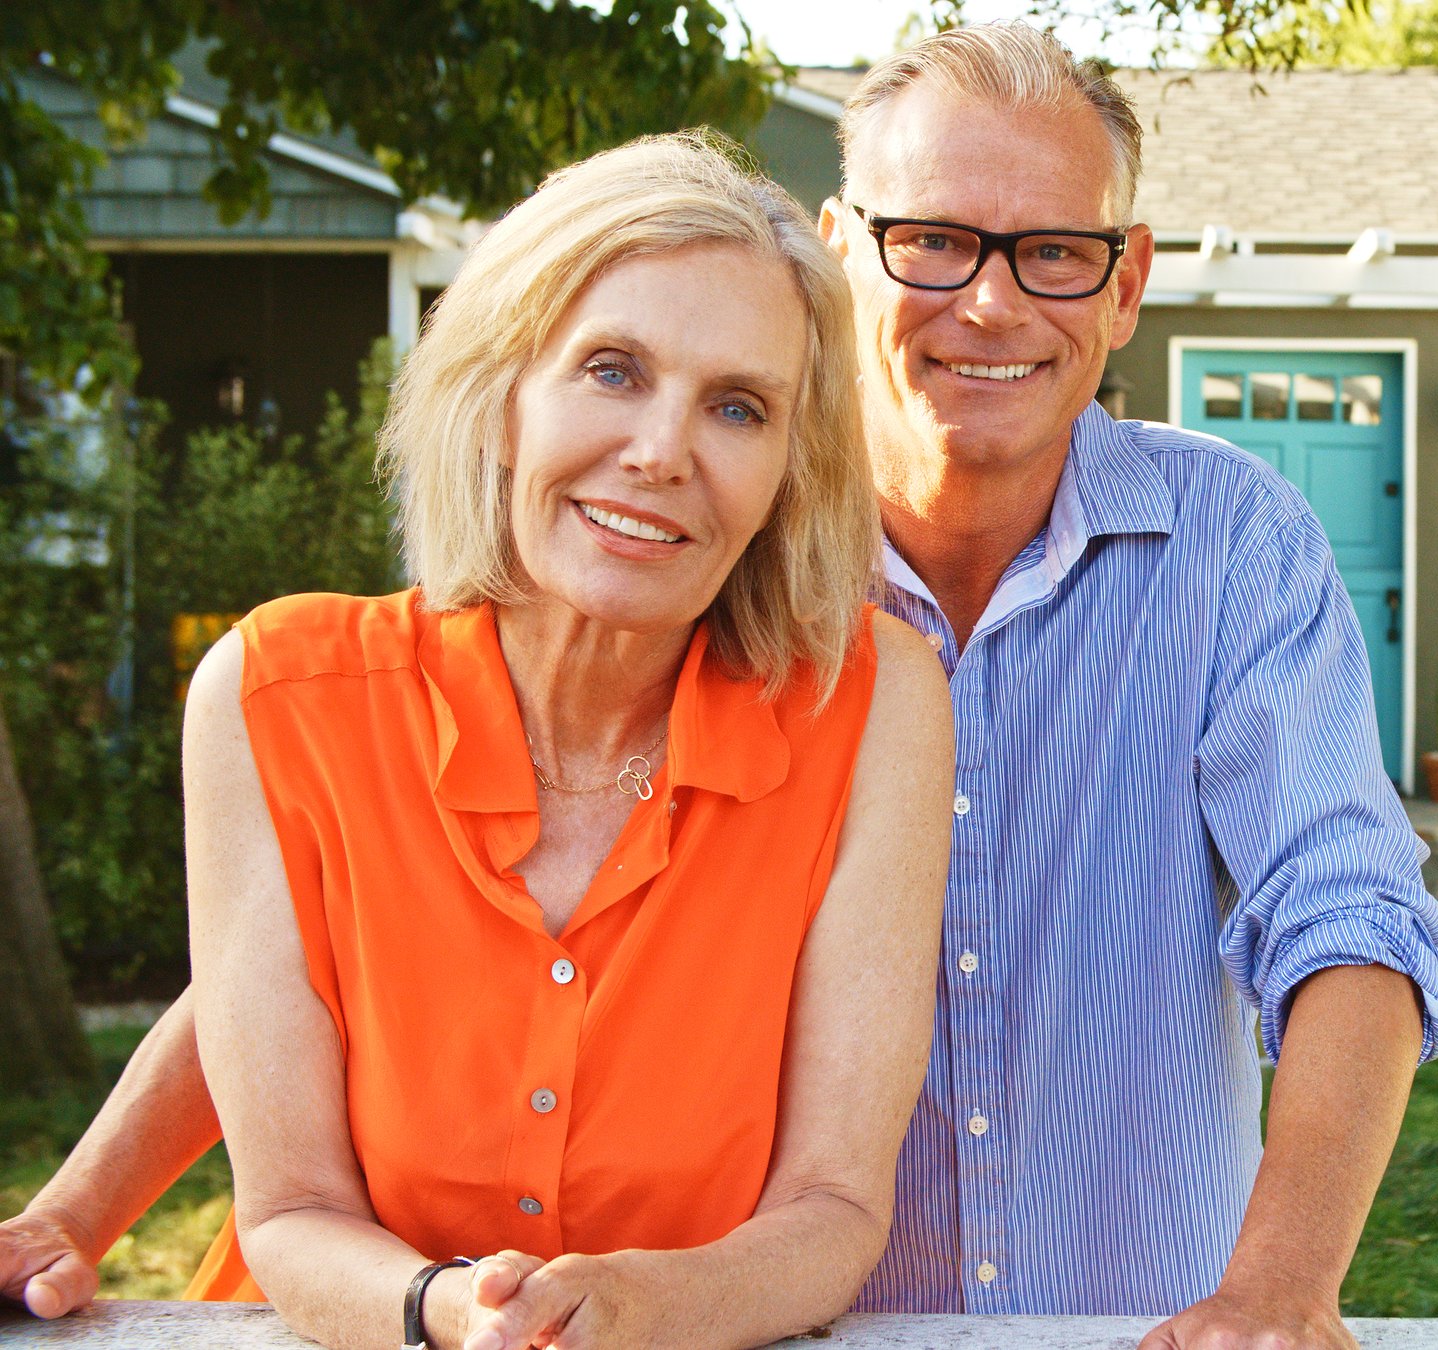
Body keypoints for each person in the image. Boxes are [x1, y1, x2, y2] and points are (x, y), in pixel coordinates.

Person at [1, 25, 1438, 1350]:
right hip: (777, 1325)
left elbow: (1345, 910)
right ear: (845, 251)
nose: (990, 302)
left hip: (1121, 1313)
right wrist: (82, 1203)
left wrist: (1282, 1283)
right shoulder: (675, 558)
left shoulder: (1222, 549)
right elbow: (355, 929)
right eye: (935, 242)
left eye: (1053, 251)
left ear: (1125, 282)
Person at [24, 131, 955, 1350]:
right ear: (503, 396)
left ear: (788, 470)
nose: (664, 451)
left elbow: (833, 1210)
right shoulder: (273, 696)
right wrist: (450, 1312)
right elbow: (292, 1202)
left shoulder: (873, 702)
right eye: (612, 370)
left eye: (738, 406)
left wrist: (621, 1307)